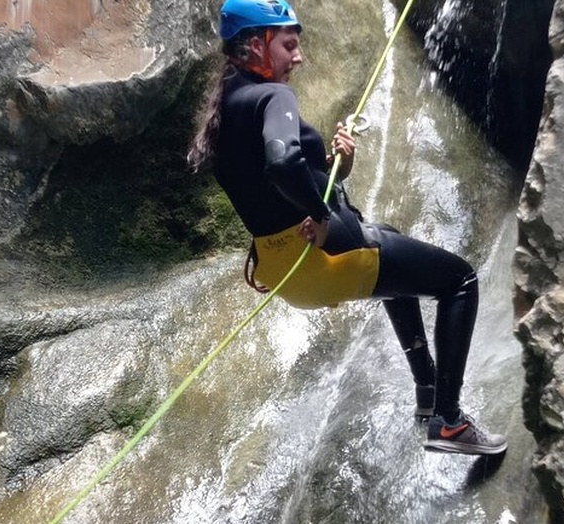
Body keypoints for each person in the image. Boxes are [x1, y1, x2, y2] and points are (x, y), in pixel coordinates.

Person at [187, 0, 506, 456]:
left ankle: (426, 390)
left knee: (391, 235)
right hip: (326, 256)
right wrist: (319, 214)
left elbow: (278, 178)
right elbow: (283, 164)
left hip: (282, 274)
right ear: (256, 44)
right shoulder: (273, 97)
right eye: (289, 45)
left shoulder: (226, 112)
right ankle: (450, 421)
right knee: (459, 281)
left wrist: (340, 164)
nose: (298, 57)